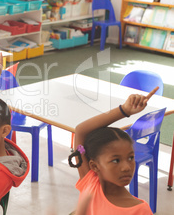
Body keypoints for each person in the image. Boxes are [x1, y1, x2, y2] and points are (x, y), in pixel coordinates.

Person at [67, 87, 159, 215]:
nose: (127, 167)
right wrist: (123, 111)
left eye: (131, 158)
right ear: (94, 166)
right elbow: (81, 130)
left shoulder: (140, 210)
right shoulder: (90, 183)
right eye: (116, 160)